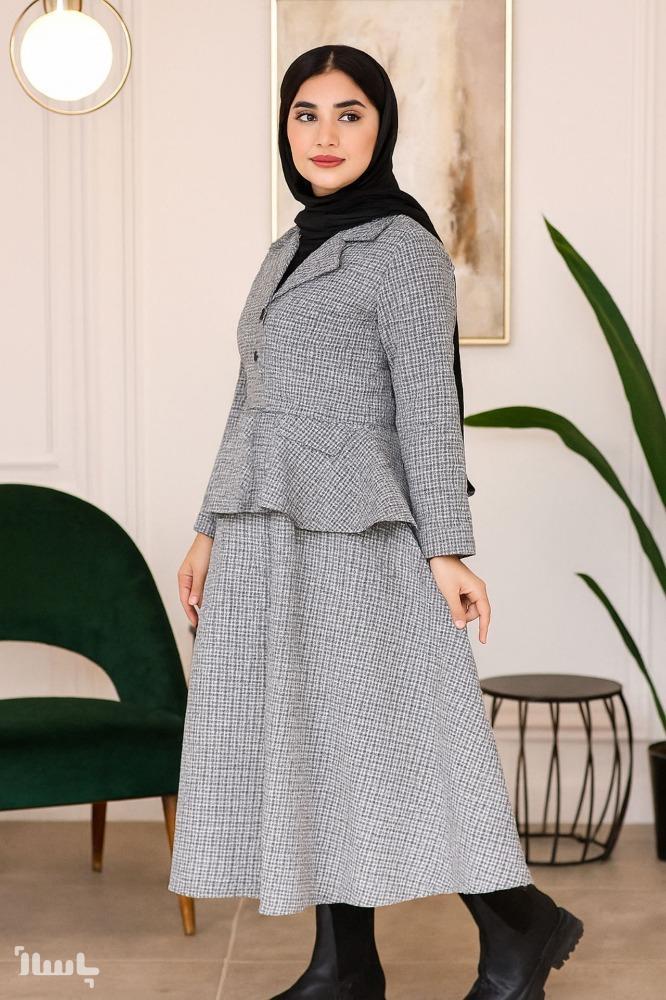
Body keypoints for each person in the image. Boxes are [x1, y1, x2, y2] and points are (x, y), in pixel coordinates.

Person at [169, 44, 584, 1000]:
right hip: (269, 530)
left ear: (382, 127)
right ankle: (344, 965)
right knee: (316, 740)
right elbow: (250, 401)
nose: (325, 134)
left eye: (348, 113)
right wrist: (207, 527)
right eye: (306, 114)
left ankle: (522, 928)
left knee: (399, 744)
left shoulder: (402, 249)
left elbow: (430, 407)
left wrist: (448, 549)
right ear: (285, 127)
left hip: (360, 533)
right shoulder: (288, 248)